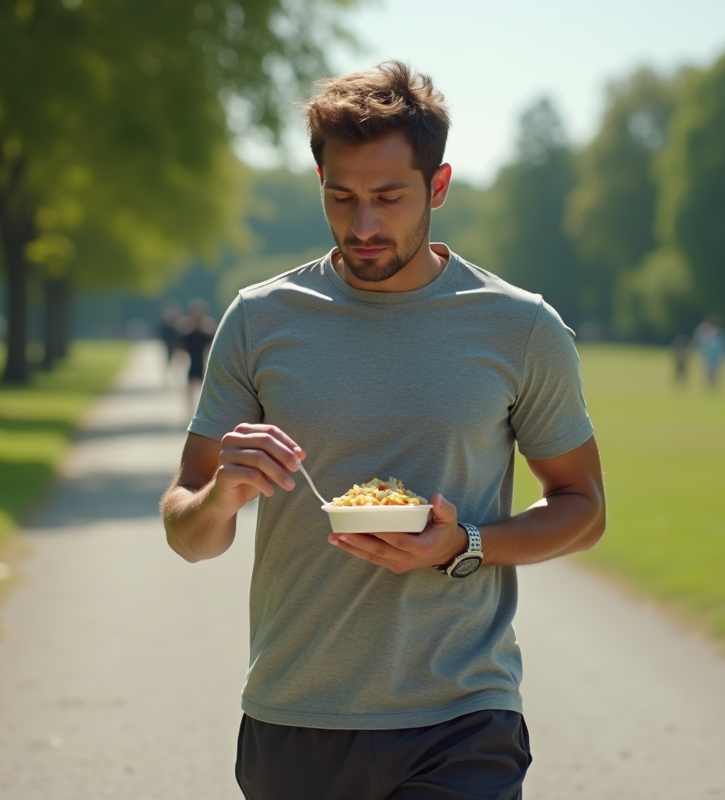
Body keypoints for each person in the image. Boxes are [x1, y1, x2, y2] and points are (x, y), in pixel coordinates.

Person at [160, 61, 605, 800]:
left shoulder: (521, 328)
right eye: (342, 198)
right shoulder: (260, 320)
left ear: (438, 186)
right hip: (295, 712)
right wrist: (218, 499)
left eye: (389, 198)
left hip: (462, 718)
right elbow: (187, 530)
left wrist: (462, 546)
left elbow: (583, 509)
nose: (363, 225)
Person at [176, 297, 217, 418]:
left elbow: (212, 347)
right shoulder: (188, 332)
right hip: (193, 364)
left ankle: (203, 414)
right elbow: (181, 347)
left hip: (203, 365)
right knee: (190, 391)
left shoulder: (206, 332)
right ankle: (191, 413)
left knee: (205, 392)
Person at [693, 315, 725, 388]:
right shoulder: (702, 330)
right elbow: (698, 341)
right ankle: (709, 384)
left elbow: (724, 343)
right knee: (707, 369)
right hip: (706, 353)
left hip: (716, 353)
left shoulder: (720, 332)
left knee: (715, 369)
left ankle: (713, 384)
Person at [157, 301, 182, 386]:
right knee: (168, 362)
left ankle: (178, 379)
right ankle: (166, 379)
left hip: (177, 346)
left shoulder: (177, 325)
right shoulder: (165, 326)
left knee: (178, 363)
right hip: (168, 345)